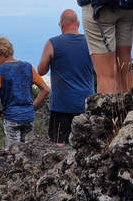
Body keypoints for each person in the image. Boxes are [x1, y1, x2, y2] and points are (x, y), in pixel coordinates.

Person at [37, 9, 95, 146]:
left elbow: (41, 70)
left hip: (61, 105)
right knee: (85, 146)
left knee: (58, 145)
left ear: (62, 24)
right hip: (85, 103)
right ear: (78, 24)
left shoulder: (52, 43)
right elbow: (99, 71)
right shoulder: (90, 43)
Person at [0, 37, 50, 148]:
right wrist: (32, 107)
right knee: (28, 154)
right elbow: (45, 90)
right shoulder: (28, 67)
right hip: (28, 117)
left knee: (13, 156)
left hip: (11, 118)